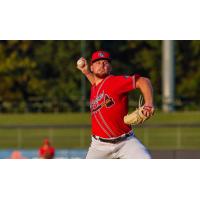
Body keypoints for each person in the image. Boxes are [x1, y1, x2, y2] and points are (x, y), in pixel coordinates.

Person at [77, 50, 154, 159]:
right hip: (98, 146)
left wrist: (149, 104)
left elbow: (143, 81)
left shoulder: (115, 82)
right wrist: (86, 72)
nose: (102, 64)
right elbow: (96, 82)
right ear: (92, 67)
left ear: (110, 68)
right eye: (98, 62)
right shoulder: (95, 86)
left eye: (105, 62)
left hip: (126, 142)